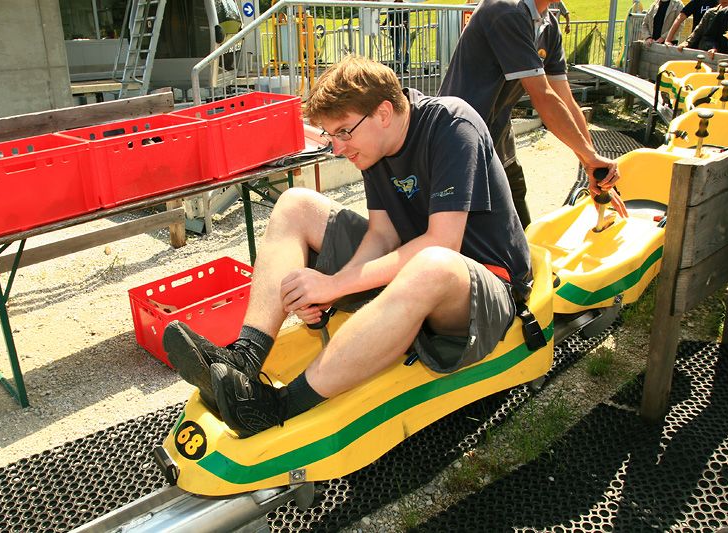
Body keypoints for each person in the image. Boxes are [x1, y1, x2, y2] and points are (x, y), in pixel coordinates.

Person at [163, 55, 533, 438]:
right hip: (415, 270)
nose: (338, 149)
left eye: (344, 132)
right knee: (295, 205)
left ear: (384, 112)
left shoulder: (453, 125)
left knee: (432, 262)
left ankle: (277, 406)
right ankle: (245, 358)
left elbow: (443, 242)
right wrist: (329, 288)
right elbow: (382, 236)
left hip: (487, 286)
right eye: (331, 136)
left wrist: (334, 285)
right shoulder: (373, 147)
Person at [437, 0, 627, 229]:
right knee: (464, 234)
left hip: (496, 139)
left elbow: (565, 102)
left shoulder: (549, 26)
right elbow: (543, 97)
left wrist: (592, 166)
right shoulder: (505, 10)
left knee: (519, 228)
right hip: (457, 141)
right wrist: (589, 157)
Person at [386, 0, 410, 72]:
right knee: (396, 50)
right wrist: (383, 24)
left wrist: (404, 23)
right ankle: (397, 67)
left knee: (406, 50)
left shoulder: (406, 6)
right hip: (395, 32)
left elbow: (407, 19)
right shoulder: (391, 7)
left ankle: (405, 67)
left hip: (404, 32)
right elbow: (389, 18)